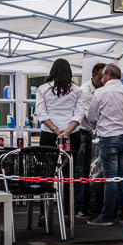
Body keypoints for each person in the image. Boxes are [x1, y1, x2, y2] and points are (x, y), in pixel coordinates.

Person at [86, 64, 123, 226]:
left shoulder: (100, 93)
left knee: (111, 177)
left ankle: (107, 215)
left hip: (109, 137)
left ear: (108, 75)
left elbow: (91, 117)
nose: (101, 80)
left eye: (103, 76)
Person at [35, 58, 84, 213]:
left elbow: (41, 114)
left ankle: (44, 213)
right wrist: (66, 131)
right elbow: (79, 114)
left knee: (46, 174)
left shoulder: (43, 89)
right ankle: (68, 212)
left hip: (48, 134)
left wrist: (56, 130)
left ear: (52, 71)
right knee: (69, 174)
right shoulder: (77, 90)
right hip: (72, 135)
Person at [73, 62, 106, 220]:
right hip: (82, 132)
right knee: (81, 171)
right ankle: (80, 207)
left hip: (90, 132)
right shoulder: (85, 91)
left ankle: (85, 206)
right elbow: (90, 117)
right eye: (100, 77)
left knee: (87, 172)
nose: (103, 81)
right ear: (93, 76)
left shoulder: (101, 90)